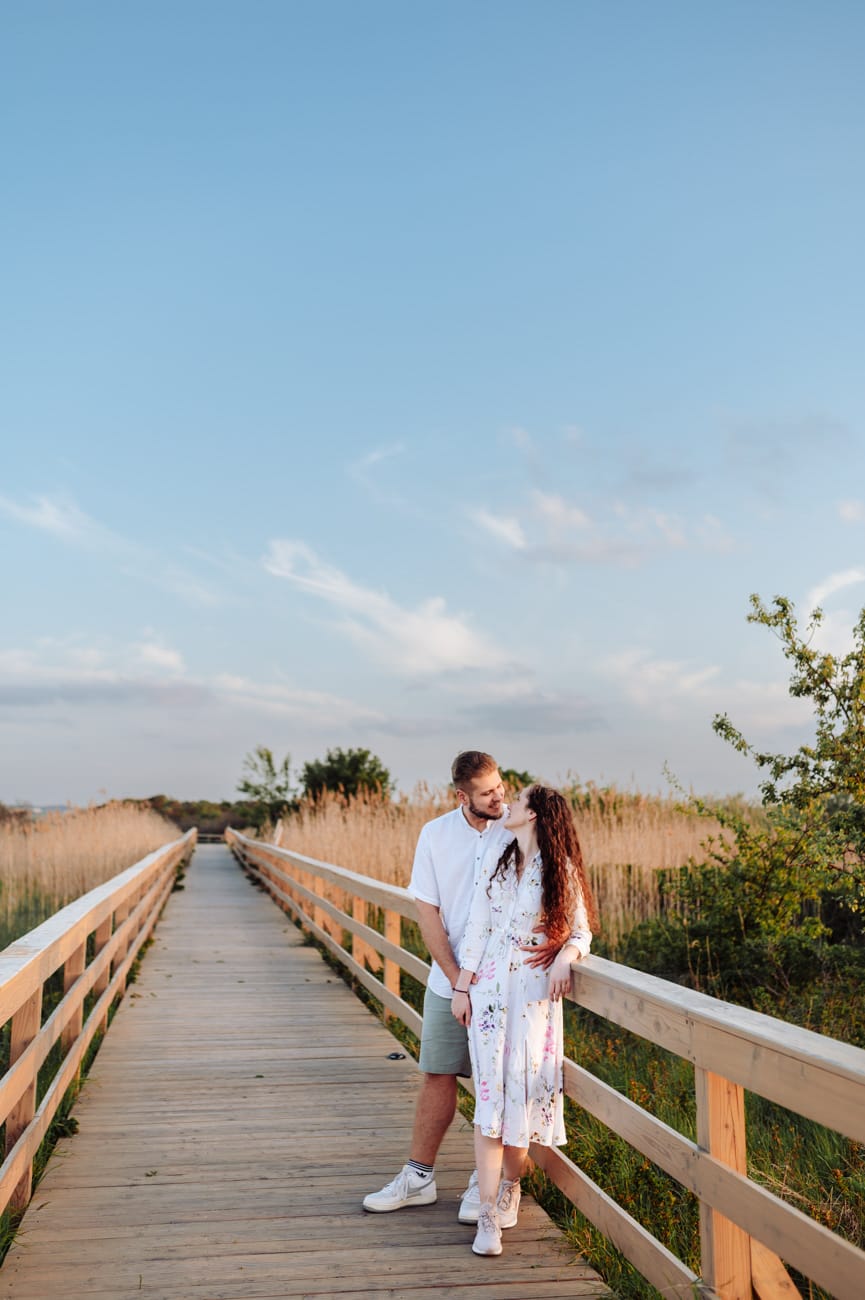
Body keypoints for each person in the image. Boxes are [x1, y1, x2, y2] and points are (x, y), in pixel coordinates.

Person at [362, 751, 564, 1222]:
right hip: (448, 980)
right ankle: (418, 1178)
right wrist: (457, 981)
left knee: (506, 1083)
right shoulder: (435, 835)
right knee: (437, 1072)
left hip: (510, 989)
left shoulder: (516, 831)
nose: (500, 797)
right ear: (462, 796)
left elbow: (555, 890)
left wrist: (559, 944)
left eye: (501, 787)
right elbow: (428, 912)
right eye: (488, 792)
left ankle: (492, 1184)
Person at [451, 783, 599, 1256]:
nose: (508, 805)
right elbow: (477, 924)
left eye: (518, 801)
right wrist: (462, 985)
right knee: (490, 1096)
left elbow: (581, 930)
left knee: (520, 1091)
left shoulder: (561, 869)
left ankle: (511, 1185)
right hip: (490, 991)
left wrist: (564, 957)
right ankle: (489, 1215)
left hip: (533, 997)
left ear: (534, 815)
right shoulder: (499, 856)